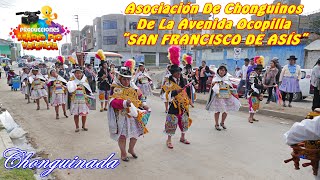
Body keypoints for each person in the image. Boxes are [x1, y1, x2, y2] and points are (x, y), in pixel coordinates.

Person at [108, 66, 150, 162]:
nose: (126, 82)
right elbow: (112, 101)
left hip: (134, 115)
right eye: (124, 79)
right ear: (120, 78)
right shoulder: (115, 87)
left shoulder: (134, 87)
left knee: (135, 135)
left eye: (128, 79)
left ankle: (131, 149)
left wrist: (144, 105)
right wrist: (123, 103)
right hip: (122, 116)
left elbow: (140, 97)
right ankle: (123, 153)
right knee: (122, 136)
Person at [162, 45, 192, 149]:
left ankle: (183, 137)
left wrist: (190, 100)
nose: (179, 74)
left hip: (183, 104)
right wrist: (175, 92)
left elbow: (187, 91)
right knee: (172, 121)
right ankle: (169, 140)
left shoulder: (183, 79)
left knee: (184, 121)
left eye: (179, 72)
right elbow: (165, 94)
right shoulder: (168, 81)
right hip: (173, 104)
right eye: (176, 72)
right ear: (172, 73)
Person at [206, 65, 241, 130]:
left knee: (225, 110)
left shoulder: (227, 78)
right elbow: (213, 87)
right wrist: (217, 84)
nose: (222, 71)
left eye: (223, 70)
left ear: (225, 72)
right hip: (218, 97)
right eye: (220, 70)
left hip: (226, 97)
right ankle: (216, 124)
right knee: (217, 111)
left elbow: (231, 86)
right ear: (218, 71)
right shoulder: (215, 78)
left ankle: (222, 122)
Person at [67, 67, 92, 132]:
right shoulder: (71, 81)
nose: (78, 74)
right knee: (76, 114)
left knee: (84, 113)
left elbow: (88, 90)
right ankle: (77, 127)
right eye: (77, 73)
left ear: (82, 74)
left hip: (83, 99)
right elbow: (69, 90)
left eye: (80, 73)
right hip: (75, 100)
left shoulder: (84, 80)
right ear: (74, 74)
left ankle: (83, 126)